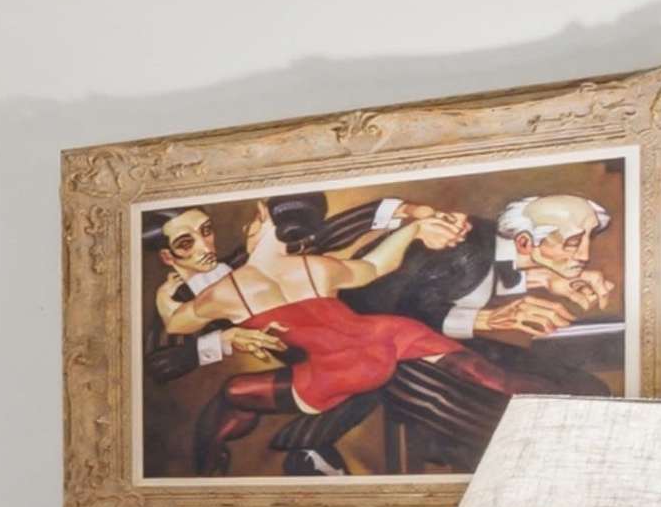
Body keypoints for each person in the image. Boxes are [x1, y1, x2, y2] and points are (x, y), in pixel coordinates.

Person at [149, 198, 522, 476]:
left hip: (336, 371)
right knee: (476, 369)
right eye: (186, 243)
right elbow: (376, 265)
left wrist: (164, 301)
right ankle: (523, 394)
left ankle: (212, 468)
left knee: (235, 394)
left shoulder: (225, 291)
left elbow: (180, 323)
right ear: (167, 257)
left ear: (261, 221)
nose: (205, 246)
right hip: (383, 337)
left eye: (207, 231)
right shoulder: (316, 267)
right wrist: (412, 232)